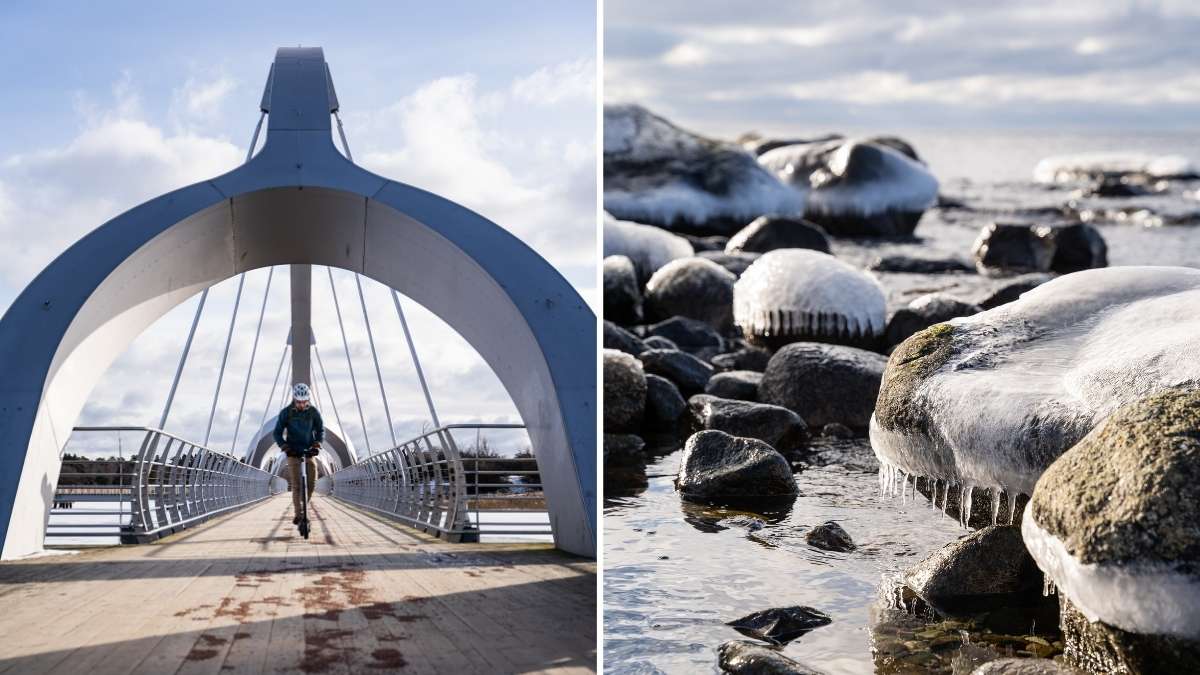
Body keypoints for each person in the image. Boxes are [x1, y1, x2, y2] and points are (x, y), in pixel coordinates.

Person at [273, 382, 324, 524]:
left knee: (312, 483)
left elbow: (320, 430)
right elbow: (277, 433)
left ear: (308, 400)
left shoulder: (313, 412)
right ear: (294, 399)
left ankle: (303, 506)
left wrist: (317, 443)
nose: (301, 404)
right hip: (293, 453)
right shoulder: (286, 413)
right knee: (296, 485)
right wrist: (284, 446)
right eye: (298, 402)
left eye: (304, 401)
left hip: (309, 452)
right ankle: (299, 514)